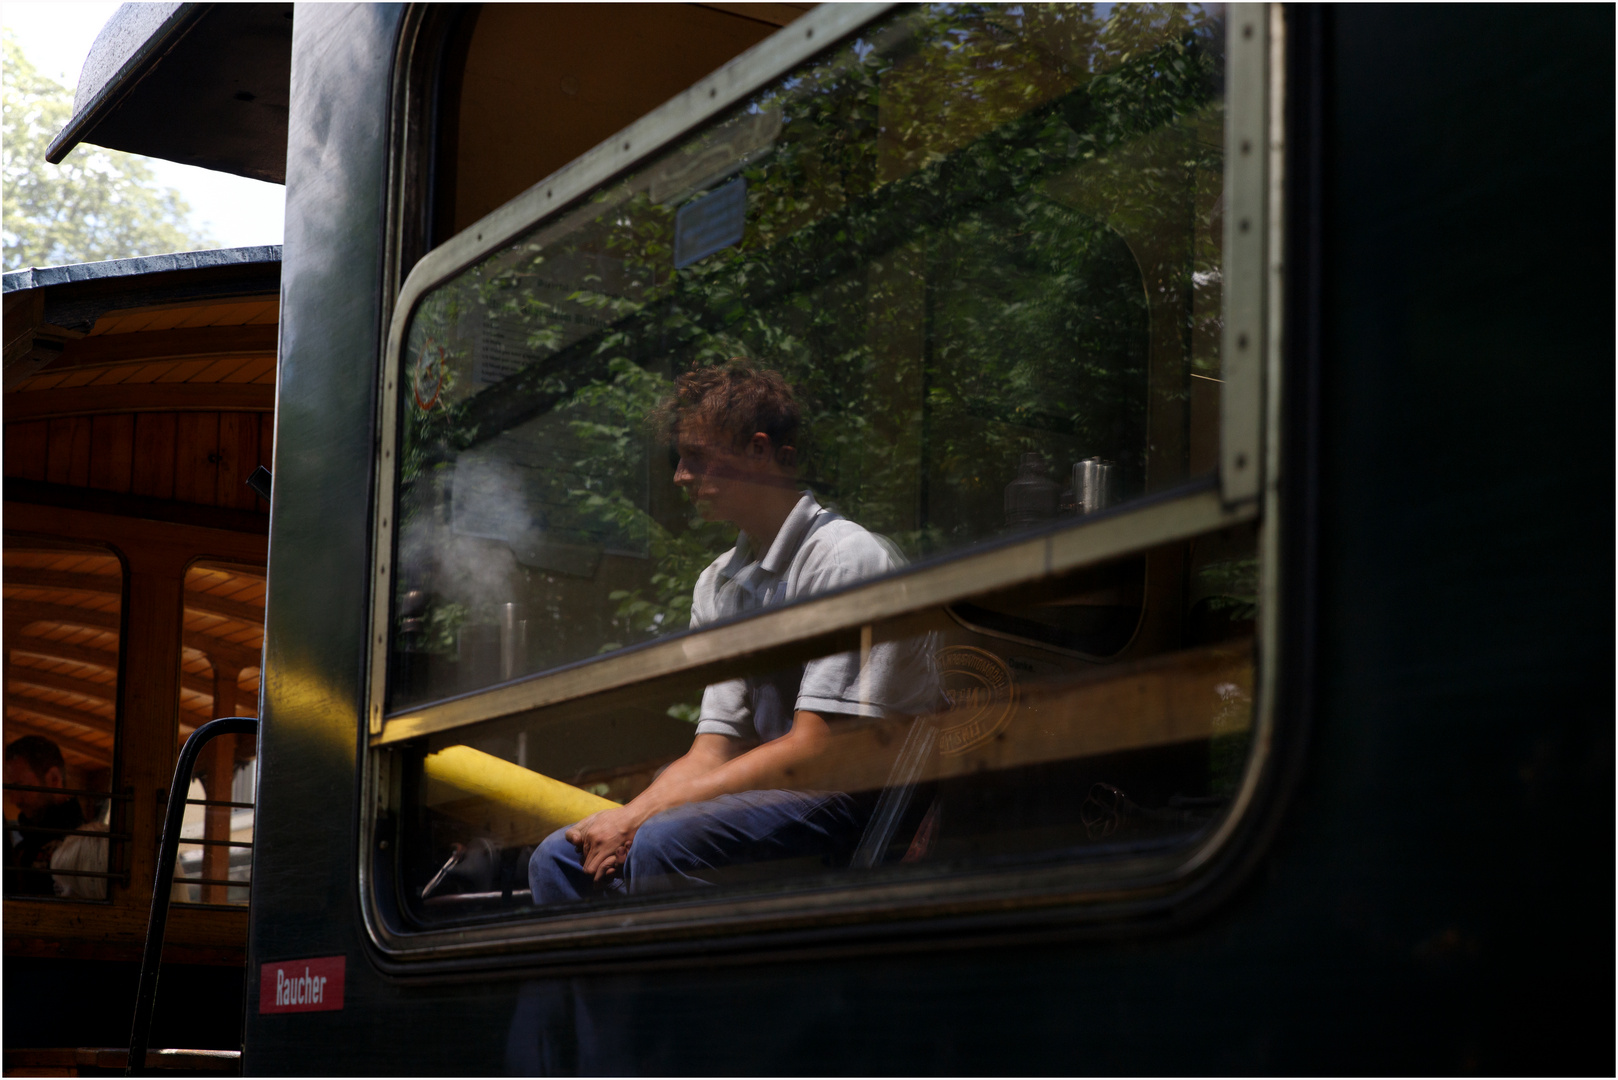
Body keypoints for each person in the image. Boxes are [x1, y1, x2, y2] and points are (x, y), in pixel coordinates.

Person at [529, 360, 939, 902]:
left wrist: (643, 820)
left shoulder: (844, 558)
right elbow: (712, 750)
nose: (680, 476)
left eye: (696, 457)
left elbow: (817, 750)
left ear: (760, 451)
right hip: (773, 793)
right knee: (557, 857)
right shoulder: (718, 583)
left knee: (661, 842)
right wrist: (627, 815)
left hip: (855, 798)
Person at [4, 735, 106, 899]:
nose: (14, 800)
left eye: (20, 787)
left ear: (54, 778)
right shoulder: (25, 845)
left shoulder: (84, 844)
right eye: (10, 790)